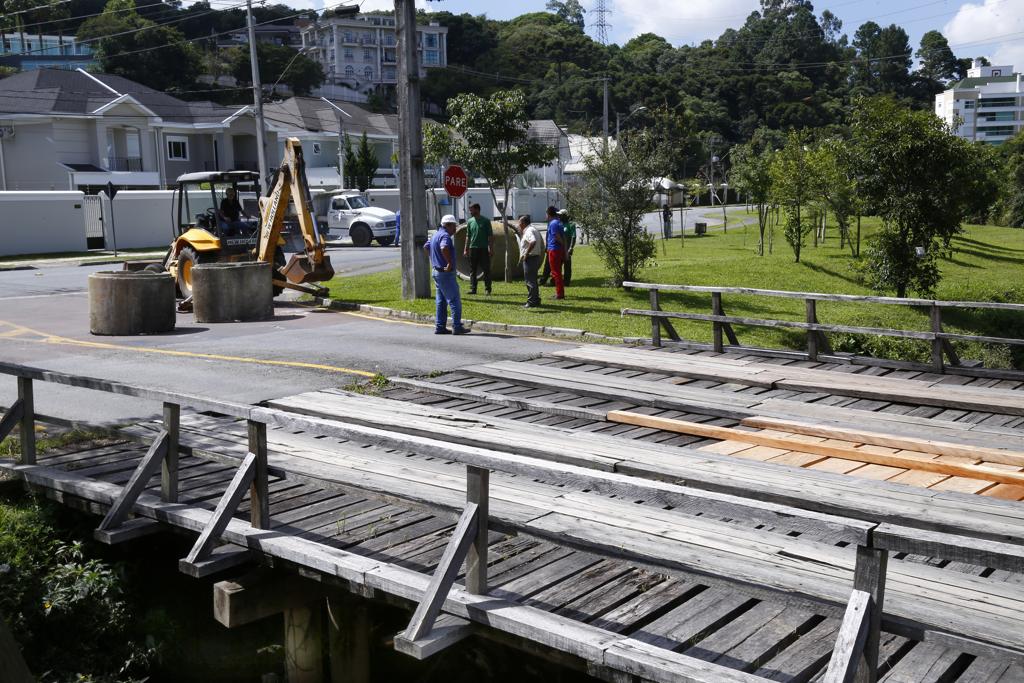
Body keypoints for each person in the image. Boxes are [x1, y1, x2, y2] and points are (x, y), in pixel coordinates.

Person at [424, 215, 469, 335]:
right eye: (454, 226)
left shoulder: (435, 235)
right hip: (445, 274)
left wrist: (434, 259)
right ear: (448, 225)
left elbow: (426, 247)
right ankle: (457, 326)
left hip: (436, 272)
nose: (455, 229)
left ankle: (440, 326)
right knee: (454, 300)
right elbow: (444, 247)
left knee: (441, 301)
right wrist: (448, 262)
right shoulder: (445, 236)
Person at [463, 202, 494, 295]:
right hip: (473, 248)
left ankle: (487, 289)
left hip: (483, 248)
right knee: (473, 270)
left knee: (486, 269)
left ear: (477, 209)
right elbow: (468, 236)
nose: (470, 212)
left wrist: (491, 248)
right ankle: (473, 289)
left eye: (471, 210)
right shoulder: (470, 221)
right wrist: (465, 248)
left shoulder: (486, 221)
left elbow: (490, 236)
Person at [516, 214, 542, 308]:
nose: (518, 224)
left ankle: (531, 302)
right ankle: (536, 300)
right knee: (533, 280)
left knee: (530, 281)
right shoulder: (533, 229)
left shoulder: (529, 231)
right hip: (535, 257)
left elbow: (533, 241)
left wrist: (526, 254)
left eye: (519, 222)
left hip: (530, 258)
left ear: (523, 223)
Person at [544, 205, 565, 300]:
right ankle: (559, 292)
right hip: (557, 249)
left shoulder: (553, 223)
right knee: (557, 272)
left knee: (556, 272)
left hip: (554, 249)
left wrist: (561, 244)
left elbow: (556, 236)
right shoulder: (558, 222)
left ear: (548, 214)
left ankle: (559, 294)